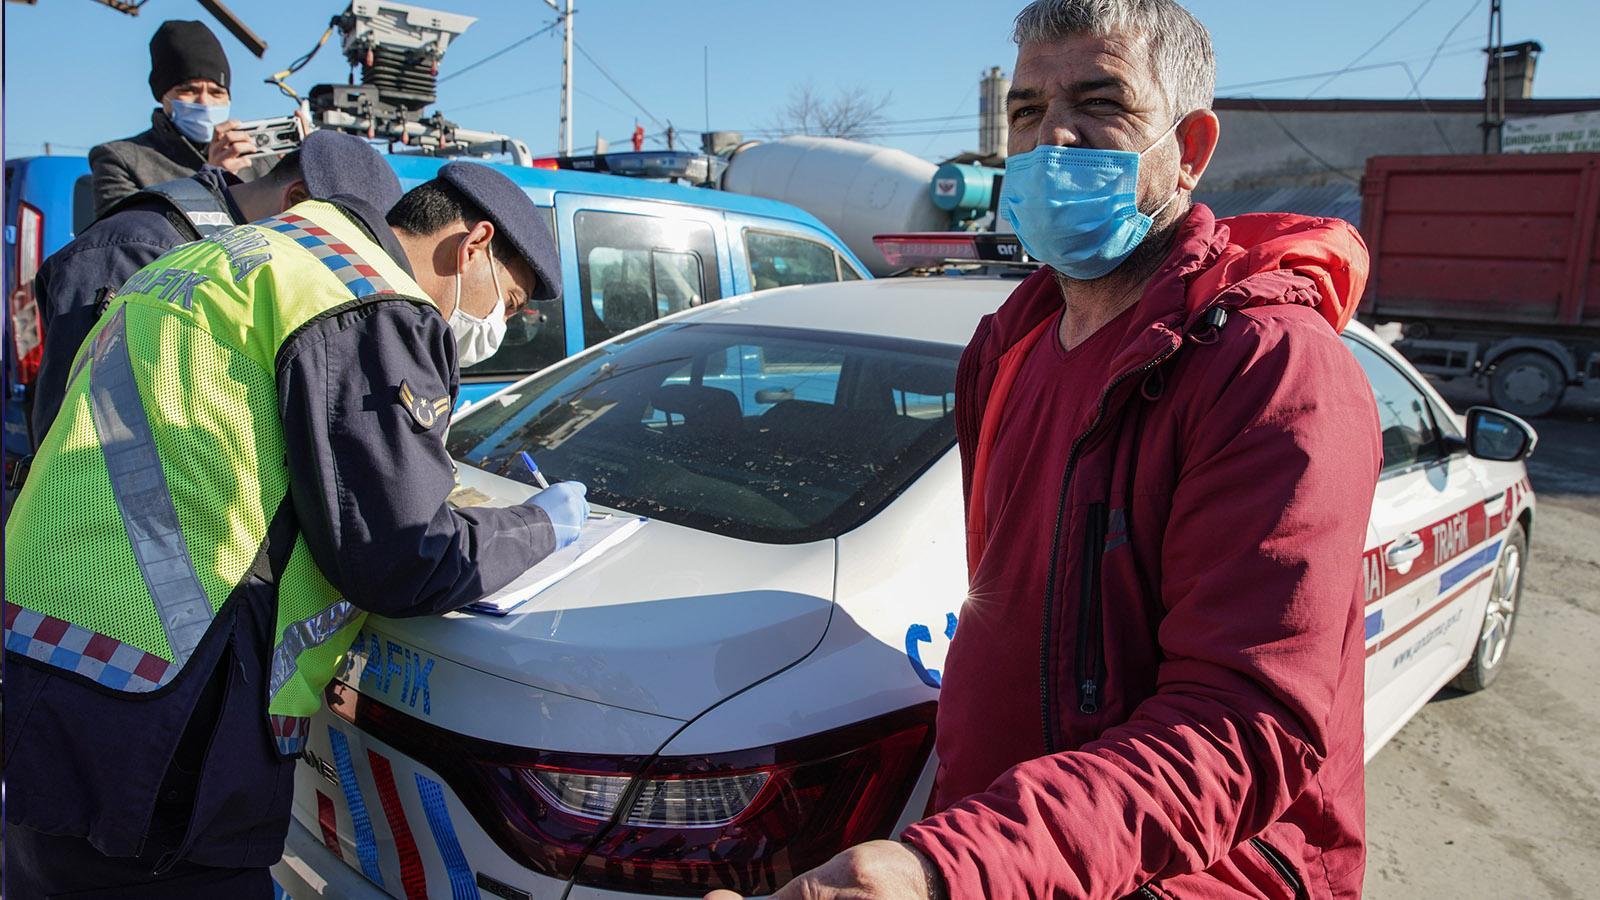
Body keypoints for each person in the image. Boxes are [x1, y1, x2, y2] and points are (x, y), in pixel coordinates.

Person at [707, 2, 1381, 899]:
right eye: (1025, 111)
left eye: (1100, 101)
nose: (1052, 136)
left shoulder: (1271, 369)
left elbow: (1238, 727)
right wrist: (958, 833)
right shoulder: (1008, 345)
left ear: (1191, 147)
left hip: (1185, 874)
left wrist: (952, 868)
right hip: (1015, 848)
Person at [3, 161, 589, 898]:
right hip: (171, 710)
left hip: (60, 656)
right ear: (472, 244)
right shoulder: (365, 299)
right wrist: (540, 527)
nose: (496, 326)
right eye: (506, 300)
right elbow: (405, 556)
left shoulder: (228, 256)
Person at [29, 130, 404, 447]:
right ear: (297, 203)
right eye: (336, 246)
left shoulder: (240, 245)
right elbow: (74, 437)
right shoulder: (135, 253)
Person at [88, 19, 267, 215]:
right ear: (162, 97)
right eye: (189, 90)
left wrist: (300, 159)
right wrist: (210, 182)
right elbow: (127, 236)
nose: (205, 102)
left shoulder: (260, 157)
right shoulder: (120, 160)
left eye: (216, 92)